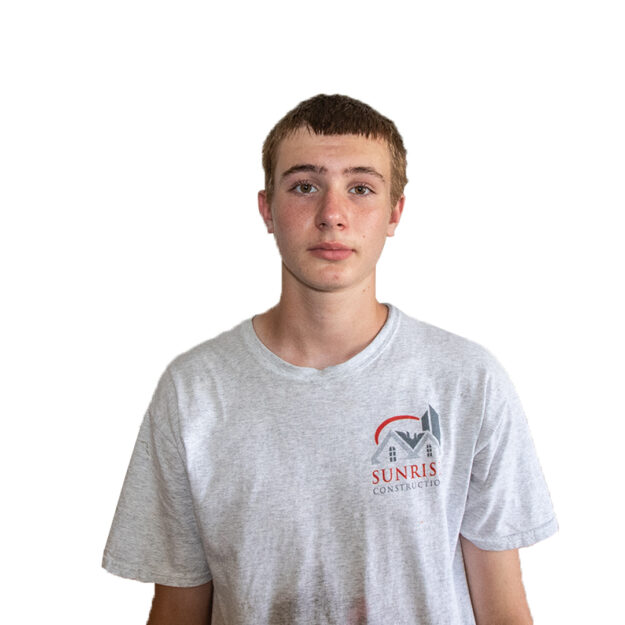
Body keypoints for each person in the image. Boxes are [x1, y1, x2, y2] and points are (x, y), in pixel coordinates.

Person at [102, 94, 557, 625]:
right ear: (267, 209)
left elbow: (502, 609)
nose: (332, 216)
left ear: (394, 213)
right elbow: (177, 610)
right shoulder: (194, 392)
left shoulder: (467, 382)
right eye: (305, 186)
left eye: (360, 188)